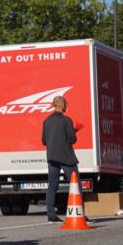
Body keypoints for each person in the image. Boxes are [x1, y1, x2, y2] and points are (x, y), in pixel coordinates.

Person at [42, 95, 80, 223]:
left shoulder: (46, 121)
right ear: (62, 104)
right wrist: (74, 131)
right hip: (66, 158)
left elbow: (44, 141)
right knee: (76, 185)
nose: (66, 106)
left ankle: (51, 215)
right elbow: (72, 139)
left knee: (52, 186)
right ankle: (80, 213)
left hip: (52, 157)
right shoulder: (66, 120)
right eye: (66, 103)